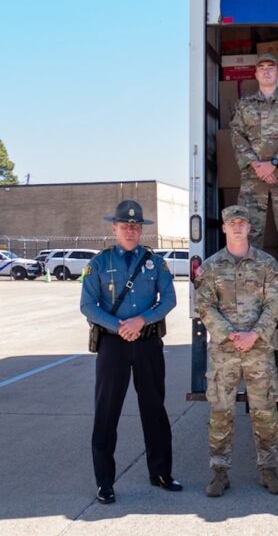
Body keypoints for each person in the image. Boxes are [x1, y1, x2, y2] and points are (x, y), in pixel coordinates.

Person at [80, 199, 180, 505]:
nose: (131, 231)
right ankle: (104, 483)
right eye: (125, 226)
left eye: (136, 226)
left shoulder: (155, 262)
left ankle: (161, 473)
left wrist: (142, 320)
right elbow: (87, 305)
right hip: (113, 345)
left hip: (148, 343)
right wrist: (120, 325)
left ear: (141, 230)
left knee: (155, 409)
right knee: (106, 413)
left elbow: (169, 300)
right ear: (114, 228)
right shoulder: (98, 264)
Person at [194, 205, 278, 497]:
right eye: (232, 224)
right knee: (221, 411)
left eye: (242, 224)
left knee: (265, 411)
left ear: (249, 229)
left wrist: (255, 334)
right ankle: (219, 472)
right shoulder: (210, 267)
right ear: (224, 228)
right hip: (224, 351)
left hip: (258, 349)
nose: (237, 228)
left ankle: (268, 470)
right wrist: (230, 334)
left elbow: (275, 304)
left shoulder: (267, 265)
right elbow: (204, 304)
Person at [230, 53, 278, 270]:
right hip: (253, 179)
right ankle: (255, 287)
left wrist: (274, 163)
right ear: (255, 74)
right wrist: (257, 165)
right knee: (250, 234)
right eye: (261, 67)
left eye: (270, 67)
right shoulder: (244, 105)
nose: (266, 70)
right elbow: (237, 136)